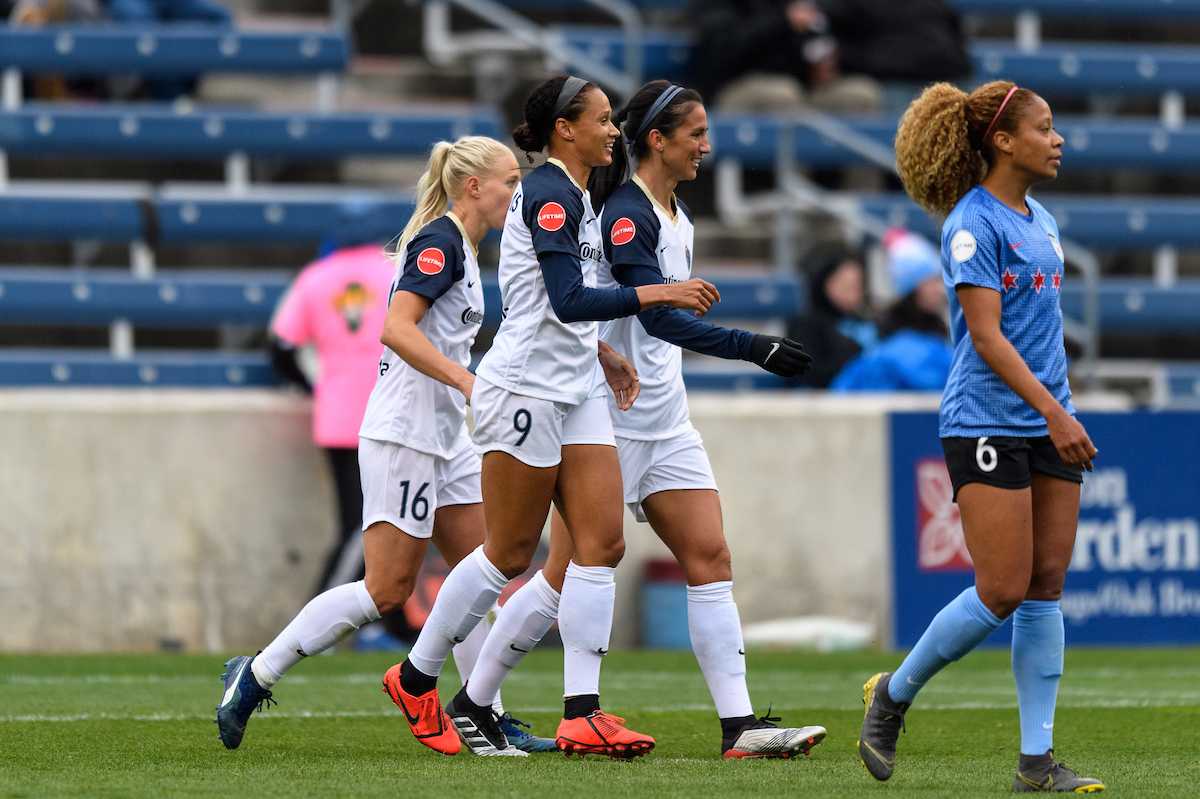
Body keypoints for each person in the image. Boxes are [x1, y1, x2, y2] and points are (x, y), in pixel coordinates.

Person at [441, 79, 825, 761]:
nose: (707, 145)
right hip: (609, 417)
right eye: (696, 133)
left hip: (665, 418)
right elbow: (651, 312)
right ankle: (481, 697)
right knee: (562, 569)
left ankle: (740, 726)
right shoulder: (625, 213)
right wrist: (749, 344)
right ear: (659, 139)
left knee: (711, 556)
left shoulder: (676, 213)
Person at [388, 74, 721, 759]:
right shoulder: (545, 193)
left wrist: (602, 354)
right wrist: (662, 292)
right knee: (509, 552)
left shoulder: (578, 196)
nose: (612, 130)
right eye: (601, 119)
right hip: (527, 392)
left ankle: (582, 711)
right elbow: (566, 299)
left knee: (601, 543)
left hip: (575, 390)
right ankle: (416, 674)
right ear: (564, 129)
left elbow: (549, 301)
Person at [214, 135, 529, 754]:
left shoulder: (464, 247)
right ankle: (253, 675)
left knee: (482, 570)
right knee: (386, 589)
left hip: (445, 437)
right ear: (474, 187)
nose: (516, 194)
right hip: (405, 435)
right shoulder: (440, 242)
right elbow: (395, 328)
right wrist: (468, 381)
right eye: (510, 182)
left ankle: (480, 712)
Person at [856, 81, 1105, 793]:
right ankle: (893, 695)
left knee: (1045, 587)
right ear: (1003, 140)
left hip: (1048, 420)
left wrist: (1062, 406)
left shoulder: (1042, 219)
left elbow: (1041, 333)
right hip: (988, 421)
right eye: (1045, 127)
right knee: (1000, 589)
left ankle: (1036, 761)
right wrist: (1056, 413)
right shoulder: (972, 223)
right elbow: (988, 338)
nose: (1057, 139)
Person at [269, 228, 395, 605]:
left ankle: (388, 622)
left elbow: (281, 346)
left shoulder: (315, 277)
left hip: (338, 415)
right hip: (388, 410)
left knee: (363, 523)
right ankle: (321, 614)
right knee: (371, 525)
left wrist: (312, 385)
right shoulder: (395, 270)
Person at [830, 227, 953, 392]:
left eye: (938, 280)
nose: (938, 289)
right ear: (912, 288)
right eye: (930, 282)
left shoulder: (938, 324)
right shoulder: (883, 327)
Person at [785, 246, 876, 388]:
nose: (854, 292)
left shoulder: (868, 324)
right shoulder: (806, 326)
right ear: (825, 283)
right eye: (846, 285)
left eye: (858, 285)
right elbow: (808, 375)